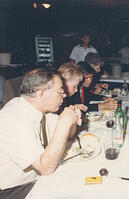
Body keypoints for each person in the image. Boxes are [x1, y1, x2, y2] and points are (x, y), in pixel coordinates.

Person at [0, 68, 81, 198]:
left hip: (35, 178)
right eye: (60, 90)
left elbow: (69, 135)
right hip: (15, 190)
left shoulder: (39, 110)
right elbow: (46, 168)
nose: (64, 95)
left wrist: (72, 121)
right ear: (43, 93)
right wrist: (64, 123)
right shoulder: (14, 119)